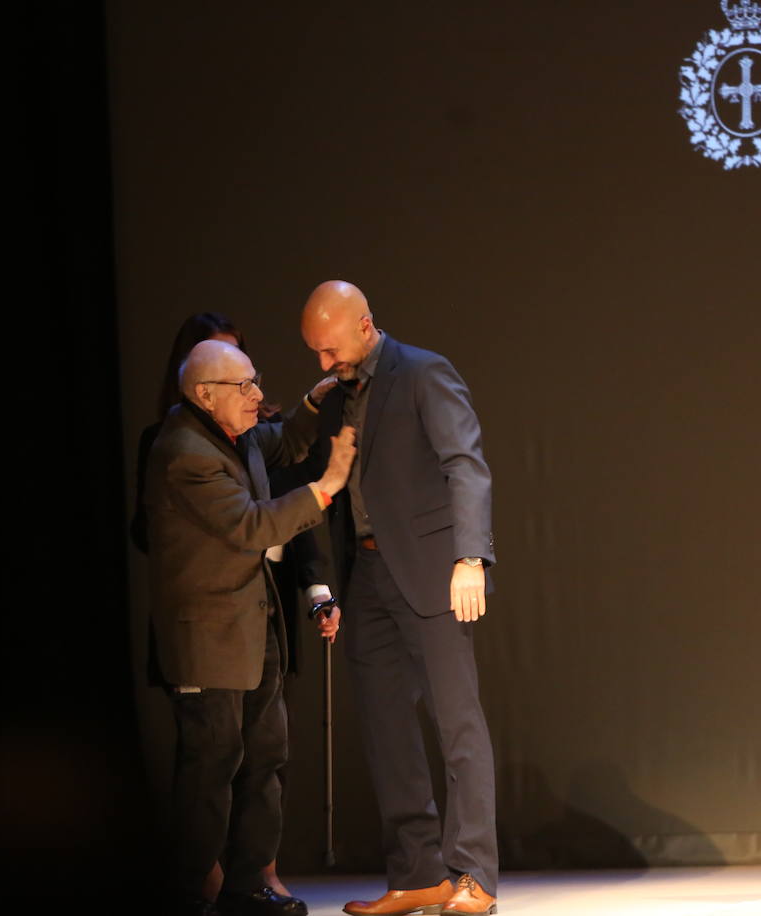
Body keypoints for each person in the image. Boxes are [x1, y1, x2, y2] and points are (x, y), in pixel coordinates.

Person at [299, 281, 499, 916]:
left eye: (330, 350)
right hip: (368, 575)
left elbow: (465, 464)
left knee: (455, 722)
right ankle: (419, 874)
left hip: (435, 570)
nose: (324, 365)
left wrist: (470, 558)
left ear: (365, 326)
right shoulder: (333, 395)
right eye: (315, 354)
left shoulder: (423, 373)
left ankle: (474, 876)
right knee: (388, 731)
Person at [145, 338, 355, 916]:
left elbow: (281, 436)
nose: (258, 395)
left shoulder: (232, 436)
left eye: (256, 381)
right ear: (205, 395)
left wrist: (315, 399)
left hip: (254, 630)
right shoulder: (185, 452)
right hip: (208, 639)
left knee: (266, 758)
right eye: (245, 387)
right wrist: (328, 484)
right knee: (212, 768)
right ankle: (190, 892)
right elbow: (250, 525)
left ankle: (247, 884)